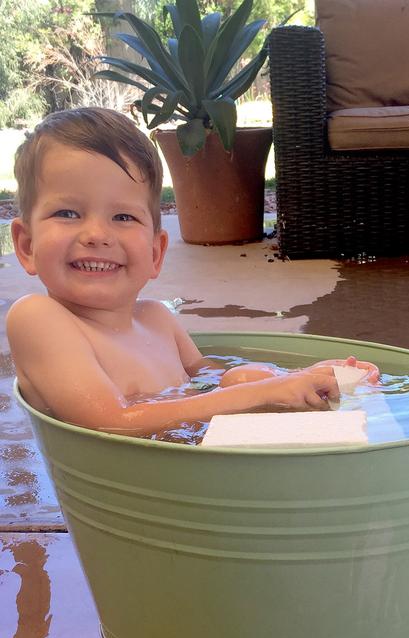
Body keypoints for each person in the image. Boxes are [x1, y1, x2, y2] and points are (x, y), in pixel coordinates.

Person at [7, 107, 379, 436]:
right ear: (26, 246)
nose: (97, 235)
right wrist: (258, 394)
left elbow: (214, 382)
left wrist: (296, 379)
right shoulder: (39, 318)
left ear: (155, 253)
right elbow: (110, 421)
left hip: (200, 468)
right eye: (68, 213)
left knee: (246, 375)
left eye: (123, 216)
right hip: (129, 494)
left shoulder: (157, 319)